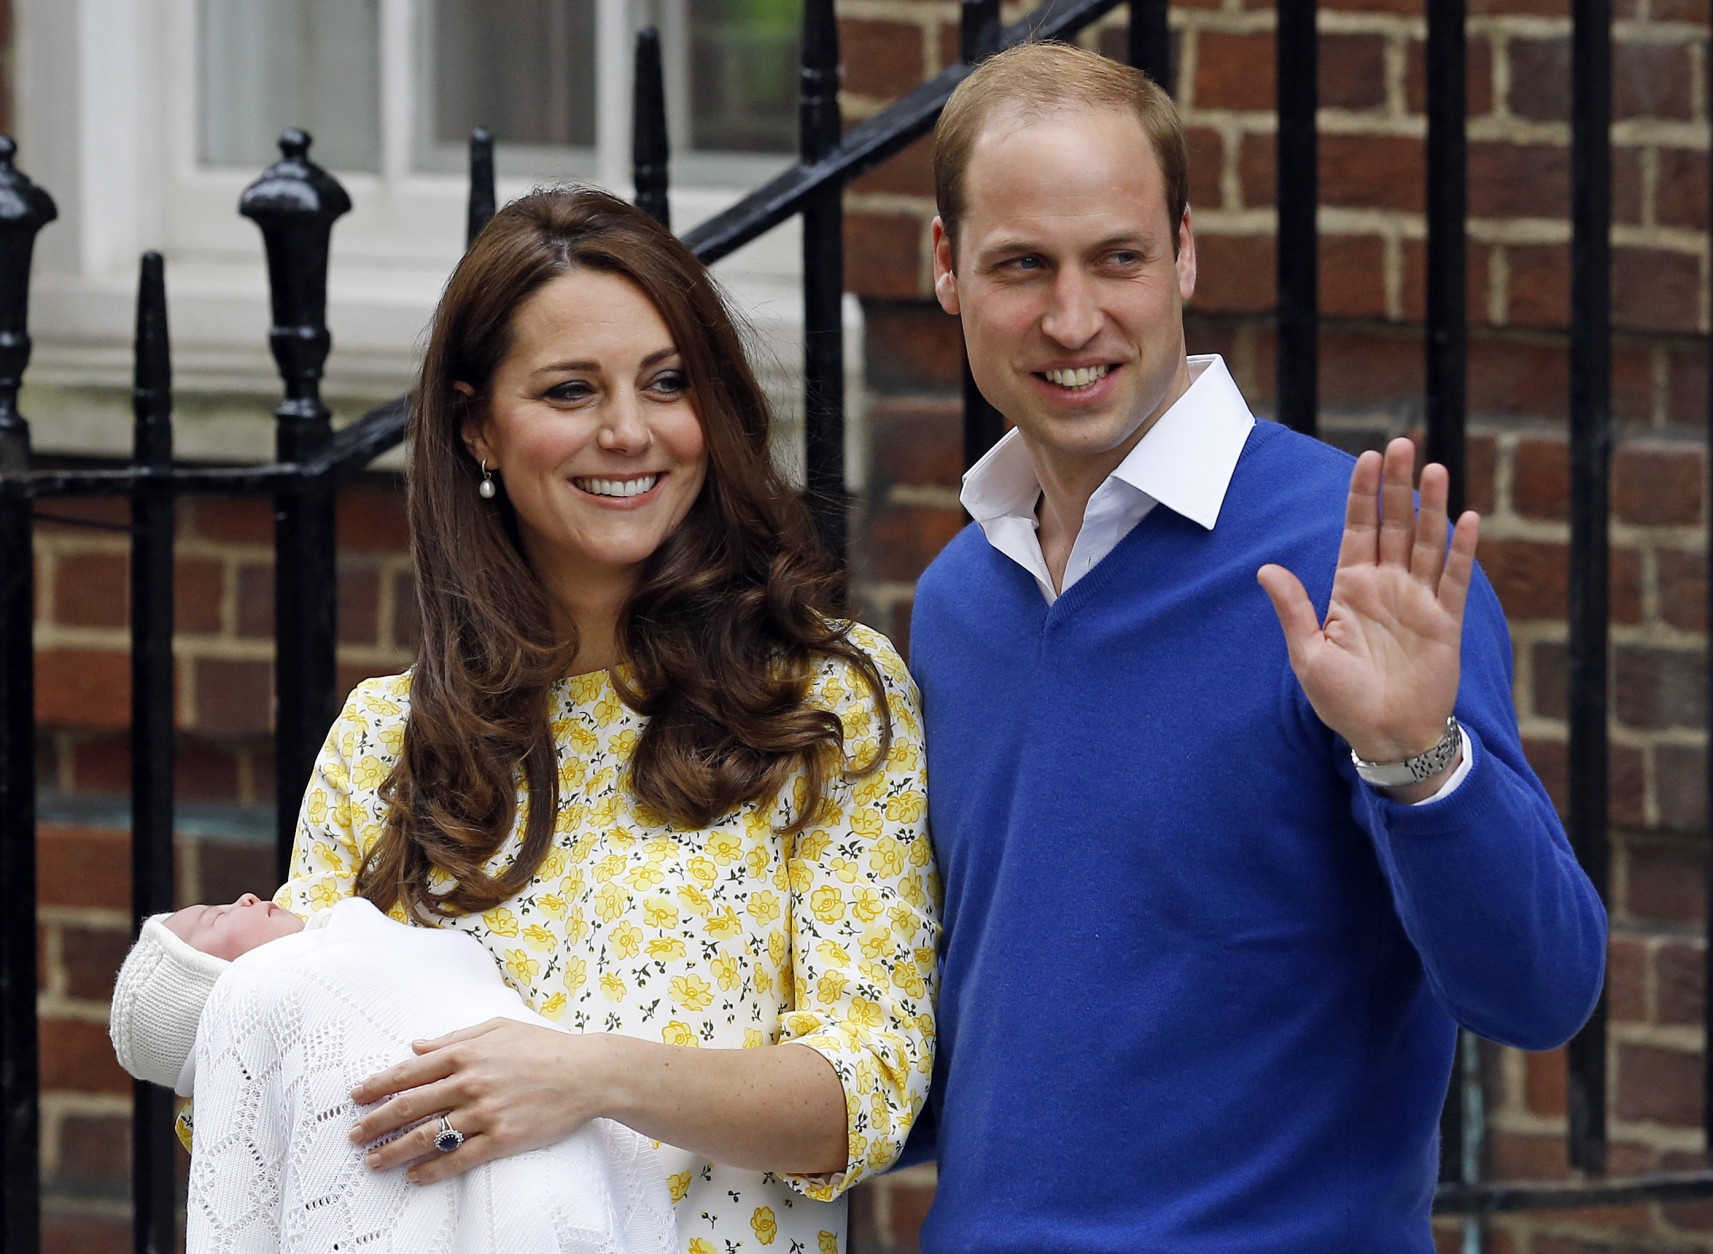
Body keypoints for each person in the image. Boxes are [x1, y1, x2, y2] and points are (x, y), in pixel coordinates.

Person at [126, 188, 937, 1254]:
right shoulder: (386, 742)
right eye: (570, 390)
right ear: (478, 428)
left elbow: (864, 1091)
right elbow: (272, 1082)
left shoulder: (824, 702)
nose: (628, 431)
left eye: (667, 382)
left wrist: (584, 1077)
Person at [902, 41, 1606, 1253]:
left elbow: (1539, 993)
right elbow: (976, 1048)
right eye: (1023, 265)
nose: (1075, 318)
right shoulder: (958, 601)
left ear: (1182, 251)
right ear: (949, 268)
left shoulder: (1359, 566)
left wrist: (1416, 758)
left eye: (1118, 258)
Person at [109, 893, 679, 1254]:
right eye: (216, 918)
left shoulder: (352, 946)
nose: (248, 897)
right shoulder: (271, 994)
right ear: (215, 996)